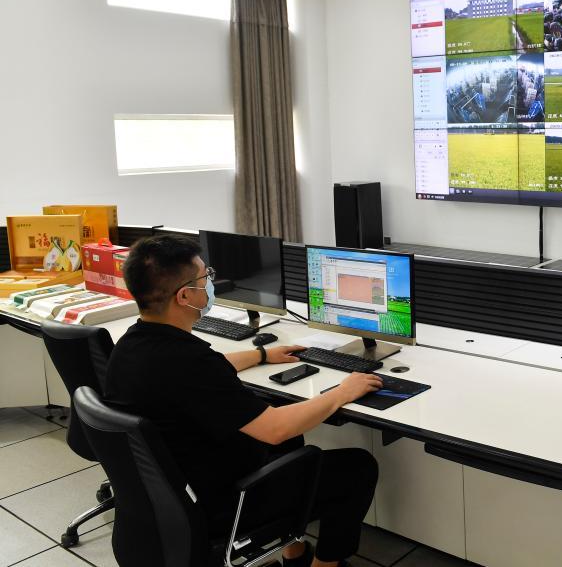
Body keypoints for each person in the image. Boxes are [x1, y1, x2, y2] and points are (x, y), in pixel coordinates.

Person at [104, 234, 381, 567]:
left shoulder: (131, 346)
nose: (211, 283)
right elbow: (275, 429)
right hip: (223, 504)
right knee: (356, 468)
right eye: (205, 277)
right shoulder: (190, 363)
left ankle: (293, 553)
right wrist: (341, 393)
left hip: (170, 498)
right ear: (184, 296)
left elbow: (206, 371)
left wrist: (261, 354)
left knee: (287, 430)